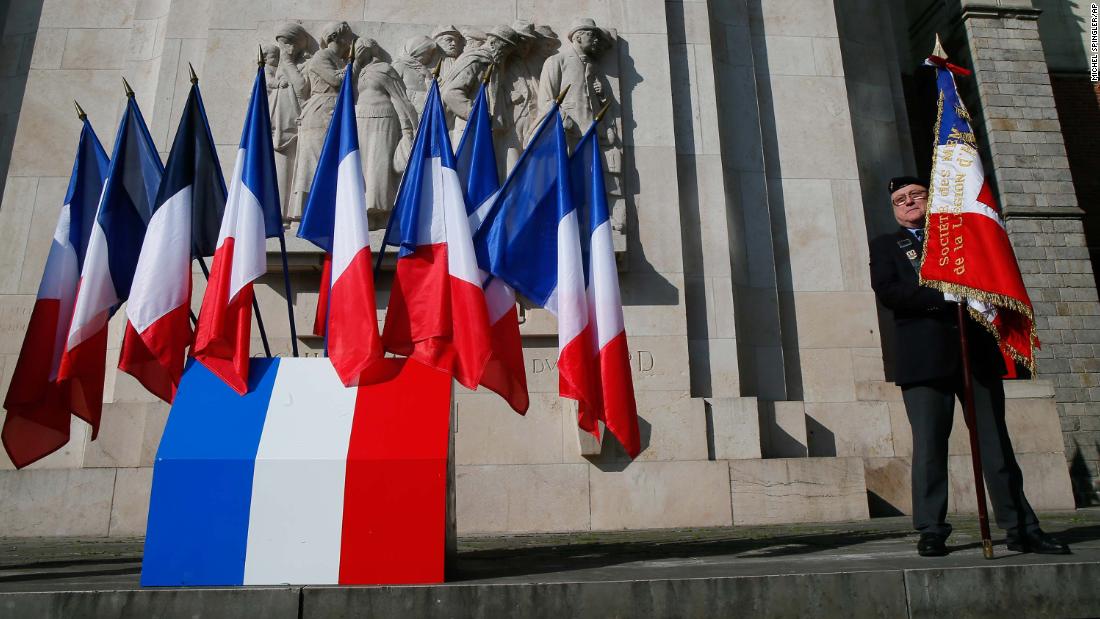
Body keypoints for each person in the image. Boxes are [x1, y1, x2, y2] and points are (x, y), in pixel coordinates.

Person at [869, 176, 1071, 557]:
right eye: (900, 200)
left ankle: (1021, 527)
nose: (909, 202)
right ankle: (931, 529)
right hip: (924, 359)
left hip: (973, 352)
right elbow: (890, 292)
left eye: (915, 195)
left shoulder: (963, 235)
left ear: (931, 198)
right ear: (894, 210)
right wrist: (943, 294)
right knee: (930, 447)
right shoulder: (886, 246)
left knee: (996, 446)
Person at [290, 21, 360, 220]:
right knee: (314, 161)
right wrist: (355, 63)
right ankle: (305, 213)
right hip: (321, 110)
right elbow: (336, 80)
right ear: (336, 37)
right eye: (347, 36)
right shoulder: (322, 56)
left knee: (333, 162)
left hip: (335, 110)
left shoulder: (337, 59)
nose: (351, 40)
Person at [353, 38, 417, 229]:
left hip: (383, 119)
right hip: (361, 121)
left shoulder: (385, 69)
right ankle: (363, 210)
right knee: (364, 167)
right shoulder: (359, 71)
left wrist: (408, 128)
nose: (358, 52)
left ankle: (381, 212)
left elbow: (400, 99)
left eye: (361, 49)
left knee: (378, 167)